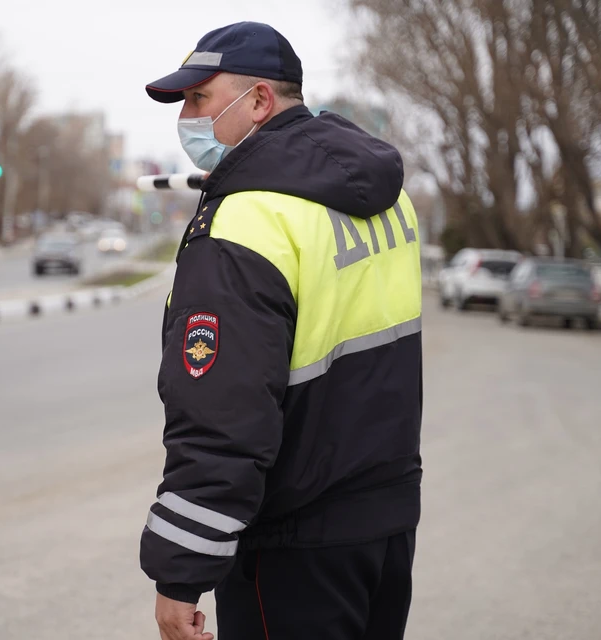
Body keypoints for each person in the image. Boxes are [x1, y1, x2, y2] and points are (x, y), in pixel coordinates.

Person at [139, 22, 423, 640]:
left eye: (199, 99)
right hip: (386, 523)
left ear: (260, 101)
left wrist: (179, 575)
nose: (185, 119)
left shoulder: (249, 219)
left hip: (294, 548)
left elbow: (222, 415)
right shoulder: (385, 197)